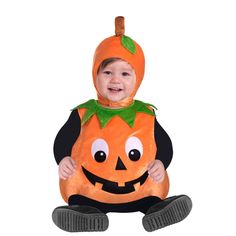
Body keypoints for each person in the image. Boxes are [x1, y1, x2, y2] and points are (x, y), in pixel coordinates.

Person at [52, 16, 192, 232]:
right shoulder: (82, 113)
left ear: (138, 77)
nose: (115, 80)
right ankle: (83, 211)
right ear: (95, 75)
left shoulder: (146, 115)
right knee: (75, 181)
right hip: (91, 190)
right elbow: (63, 139)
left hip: (140, 188)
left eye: (125, 73)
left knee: (153, 185)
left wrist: (161, 162)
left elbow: (164, 144)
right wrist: (63, 158)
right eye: (107, 72)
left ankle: (155, 208)